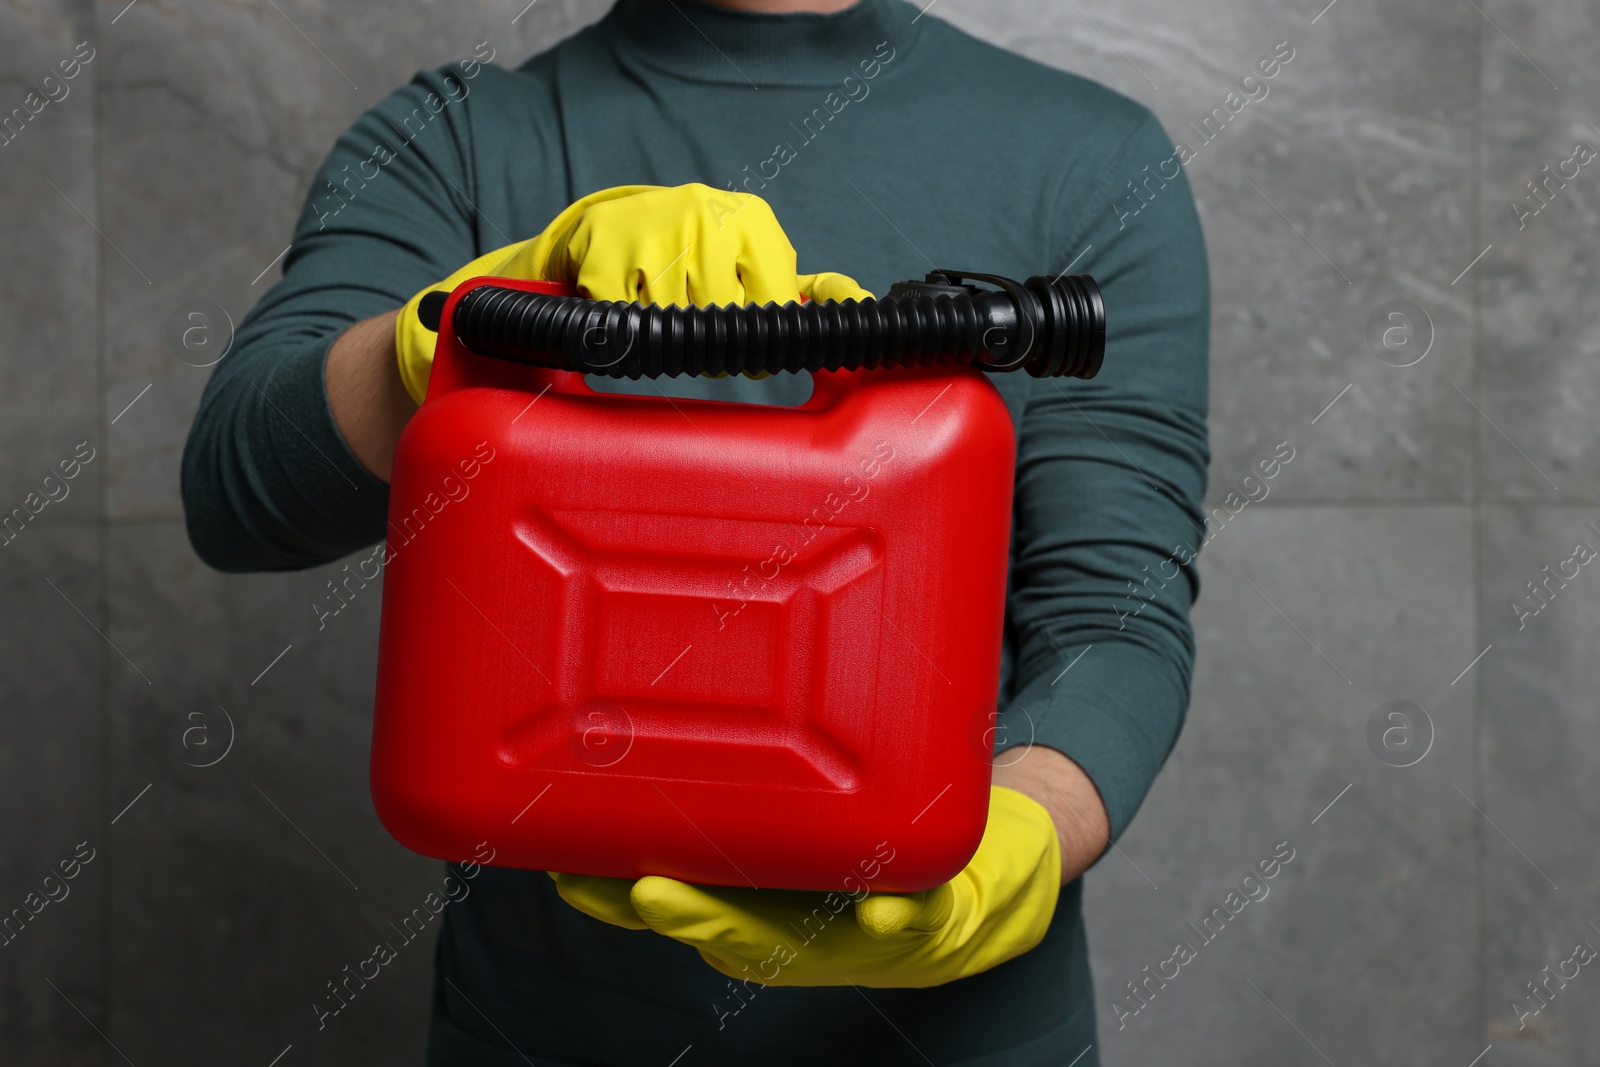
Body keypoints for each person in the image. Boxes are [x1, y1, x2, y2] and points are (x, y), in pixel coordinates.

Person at [180, 0, 1210, 1062]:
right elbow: (237, 493)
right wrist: (473, 318)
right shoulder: (461, 139)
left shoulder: (1091, 158)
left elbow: (1113, 616)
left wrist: (1014, 842)